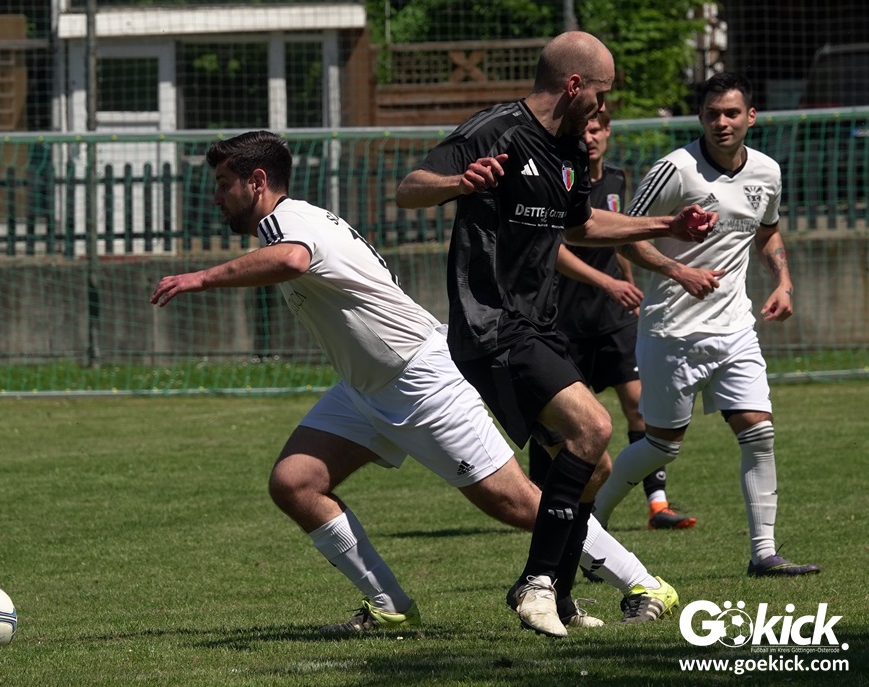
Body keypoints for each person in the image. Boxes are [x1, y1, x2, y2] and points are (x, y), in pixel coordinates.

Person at [151, 130, 682, 639]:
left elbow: (292, 259)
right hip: (365, 388)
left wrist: (200, 277)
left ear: (257, 182)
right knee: (295, 483)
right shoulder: (297, 218)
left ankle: (645, 585)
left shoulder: (285, 222)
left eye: (224, 183)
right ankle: (390, 606)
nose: (216, 197)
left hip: (419, 379)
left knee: (517, 503)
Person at [395, 31, 717, 636]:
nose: (602, 109)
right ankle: (536, 582)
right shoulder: (496, 130)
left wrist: (665, 225)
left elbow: (581, 225)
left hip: (539, 326)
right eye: (600, 94)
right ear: (574, 85)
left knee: (593, 467)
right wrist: (460, 182)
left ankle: (560, 597)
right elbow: (408, 188)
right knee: (593, 427)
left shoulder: (568, 149)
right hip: (491, 325)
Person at [592, 72, 821, 577]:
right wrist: (678, 270)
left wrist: (783, 281)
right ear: (701, 118)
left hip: (735, 328)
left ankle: (764, 553)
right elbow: (626, 236)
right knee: (661, 446)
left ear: (750, 117)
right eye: (713, 114)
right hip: (672, 331)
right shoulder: (675, 170)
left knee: (759, 432)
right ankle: (593, 524)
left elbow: (767, 231)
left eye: (732, 113)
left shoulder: (767, 171)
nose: (722, 122)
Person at [531, 108, 698, 532]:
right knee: (561, 418)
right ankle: (542, 500)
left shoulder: (618, 180)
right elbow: (556, 247)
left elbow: (621, 241)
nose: (590, 137)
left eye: (597, 129)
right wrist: (608, 283)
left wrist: (629, 286)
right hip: (564, 317)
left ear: (607, 132)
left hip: (613, 315)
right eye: (583, 130)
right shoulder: (561, 180)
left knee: (639, 406)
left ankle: (658, 504)